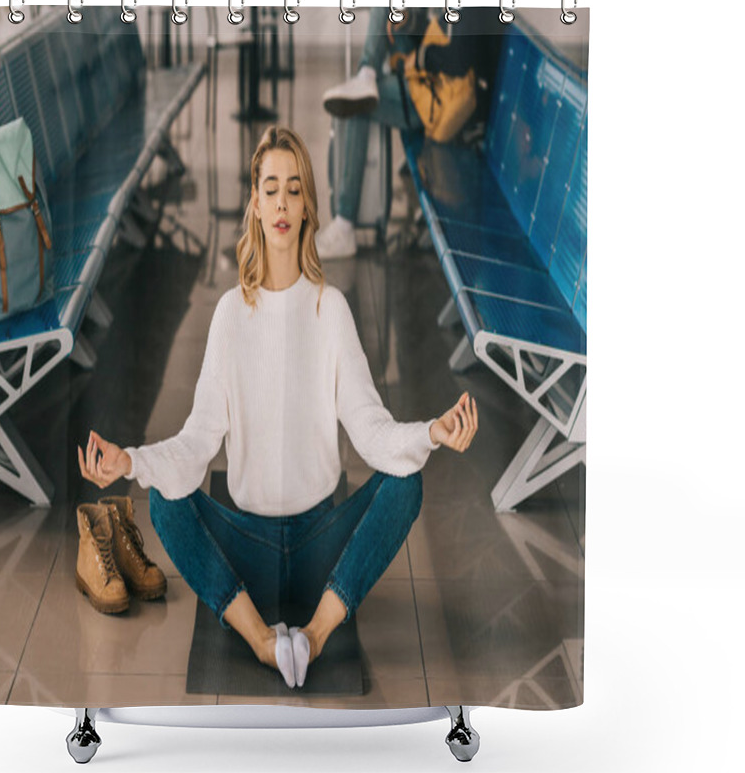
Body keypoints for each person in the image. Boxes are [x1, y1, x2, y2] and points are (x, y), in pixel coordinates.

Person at [78, 125, 478, 689]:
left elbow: (369, 427)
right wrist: (131, 463)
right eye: (271, 189)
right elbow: (198, 440)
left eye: (294, 188)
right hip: (248, 552)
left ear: (307, 205)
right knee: (167, 502)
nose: (283, 202)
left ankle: (314, 634)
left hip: (321, 550)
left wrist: (431, 433)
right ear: (256, 205)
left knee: (406, 483)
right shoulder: (229, 314)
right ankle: (261, 639)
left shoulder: (330, 309)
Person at [317, 7, 502, 260]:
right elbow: (443, 35)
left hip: (445, 105)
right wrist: (410, 22)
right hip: (439, 88)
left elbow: (460, 62)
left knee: (358, 105)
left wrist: (421, 58)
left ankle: (344, 224)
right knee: (390, 6)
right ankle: (367, 73)